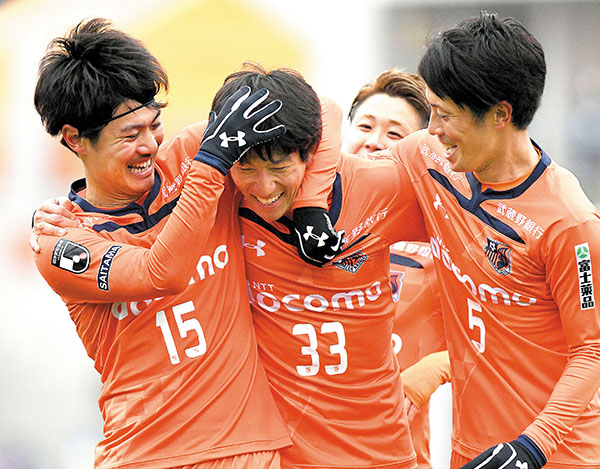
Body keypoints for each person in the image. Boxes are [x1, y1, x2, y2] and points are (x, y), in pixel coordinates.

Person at [33, 61, 428, 468]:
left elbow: (317, 109)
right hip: (144, 454)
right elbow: (160, 272)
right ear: (75, 139)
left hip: (248, 450)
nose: (149, 145)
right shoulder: (59, 239)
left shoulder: (191, 156)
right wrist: (212, 162)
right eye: (130, 135)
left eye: (155, 125)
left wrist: (309, 206)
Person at [386, 11, 600, 469]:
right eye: (431, 111)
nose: (433, 129)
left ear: (501, 114)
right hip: (470, 450)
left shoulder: (570, 223)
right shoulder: (427, 158)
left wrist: (532, 448)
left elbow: (592, 350)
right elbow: (345, 175)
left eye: (445, 115)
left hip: (553, 455)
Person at [342, 68, 451, 469]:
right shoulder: (300, 225)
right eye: (364, 126)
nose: (374, 141)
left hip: (396, 453)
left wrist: (431, 371)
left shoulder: (444, 234)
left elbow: (499, 336)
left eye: (394, 133)